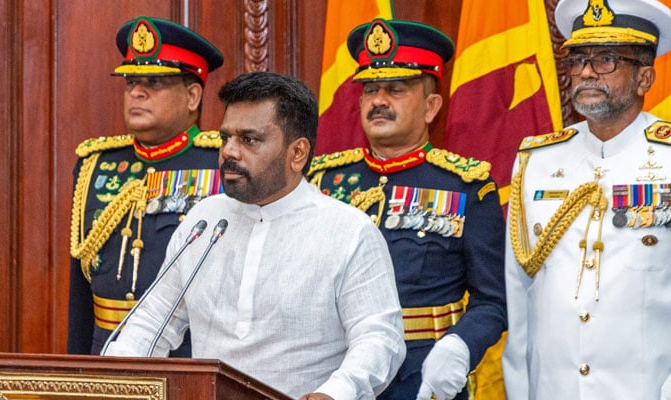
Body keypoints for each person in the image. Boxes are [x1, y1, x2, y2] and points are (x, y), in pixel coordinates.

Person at [104, 71, 406, 400]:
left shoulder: (349, 231)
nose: (229, 152)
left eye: (249, 140)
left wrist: (335, 393)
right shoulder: (203, 220)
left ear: (298, 153)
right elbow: (153, 320)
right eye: (226, 138)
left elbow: (379, 339)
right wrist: (113, 380)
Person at [308, 19, 507, 400]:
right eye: (369, 90)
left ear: (431, 106)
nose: (378, 100)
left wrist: (459, 348)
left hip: (422, 374)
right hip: (334, 373)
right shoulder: (321, 181)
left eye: (396, 89)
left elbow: (493, 300)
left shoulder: (464, 186)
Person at [502, 0, 671, 399]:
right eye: (579, 60)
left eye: (607, 59)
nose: (587, 72)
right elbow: (518, 293)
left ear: (644, 78)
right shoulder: (536, 160)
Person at [67, 16, 224, 356]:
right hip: (107, 350)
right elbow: (80, 288)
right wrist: (77, 367)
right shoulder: (96, 164)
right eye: (131, 82)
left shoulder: (221, 164)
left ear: (193, 96)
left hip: (187, 354)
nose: (137, 92)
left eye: (154, 82)